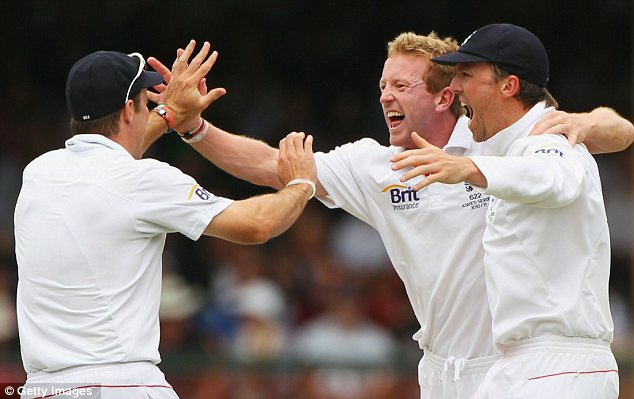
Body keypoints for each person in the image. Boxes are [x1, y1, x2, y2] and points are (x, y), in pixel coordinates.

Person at [147, 32, 633, 399]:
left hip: (520, 363)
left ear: (447, 98)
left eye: (401, 85)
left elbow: (609, 138)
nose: (384, 96)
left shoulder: (499, 141)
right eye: (382, 85)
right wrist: (193, 127)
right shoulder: (375, 165)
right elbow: (273, 166)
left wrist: (587, 122)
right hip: (442, 369)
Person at [13, 41, 317, 399]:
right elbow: (256, 225)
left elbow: (114, 154)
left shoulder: (38, 173)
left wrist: (169, 114)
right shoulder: (144, 180)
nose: (147, 111)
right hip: (120, 385)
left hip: (41, 388)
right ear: (129, 109)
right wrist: (301, 183)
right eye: (145, 102)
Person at [392, 23, 621, 398]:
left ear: (509, 85)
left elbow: (554, 178)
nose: (456, 87)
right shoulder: (513, 149)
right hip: (527, 367)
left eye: (466, 75)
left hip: (557, 370)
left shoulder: (548, 140)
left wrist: (468, 169)